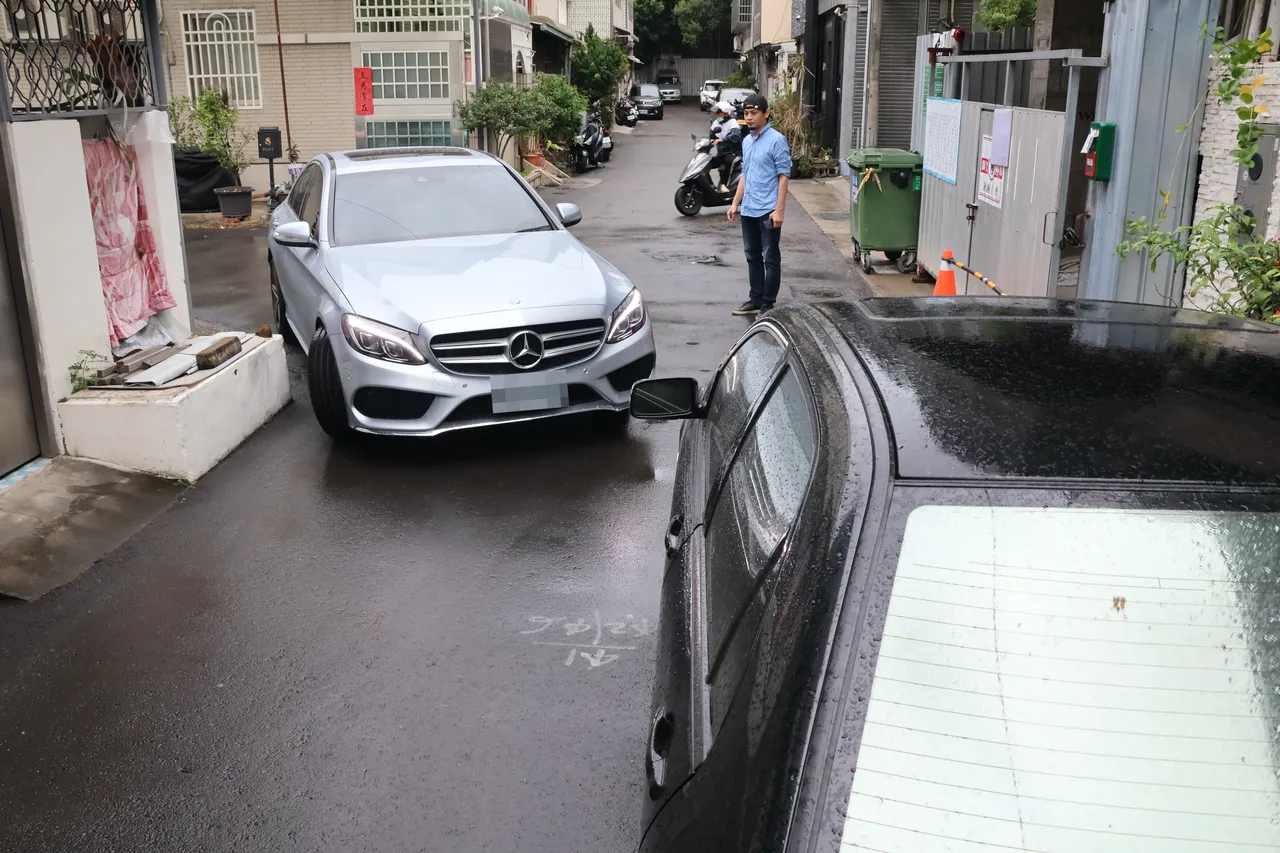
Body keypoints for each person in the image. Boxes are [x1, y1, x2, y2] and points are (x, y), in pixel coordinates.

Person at [727, 93, 792, 316]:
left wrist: (779, 209)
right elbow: (746, 174)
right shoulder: (747, 141)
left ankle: (768, 304)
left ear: (766, 114)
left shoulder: (776, 140)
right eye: (746, 113)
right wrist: (735, 203)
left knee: (770, 258)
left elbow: (783, 175)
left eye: (754, 113)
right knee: (752, 256)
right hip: (749, 209)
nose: (749, 117)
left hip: (768, 210)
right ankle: (755, 299)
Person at [709, 101, 742, 191]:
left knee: (729, 163)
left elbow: (736, 136)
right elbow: (711, 136)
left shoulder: (732, 122)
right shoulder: (716, 123)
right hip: (721, 154)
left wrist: (723, 139)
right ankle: (710, 186)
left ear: (726, 113)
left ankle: (725, 187)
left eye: (719, 113)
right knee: (706, 163)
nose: (716, 115)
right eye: (716, 113)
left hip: (733, 153)